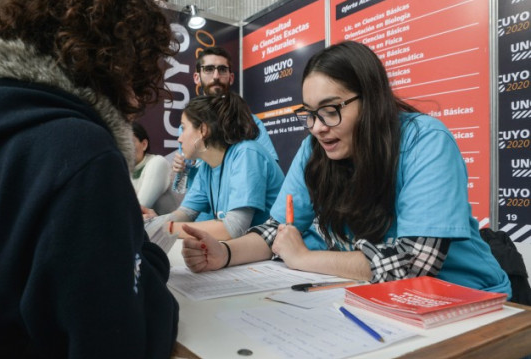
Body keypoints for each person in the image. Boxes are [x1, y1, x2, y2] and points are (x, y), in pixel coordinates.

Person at [0, 0, 179, 357]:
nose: (137, 103)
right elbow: (127, 340)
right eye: (138, 78)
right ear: (115, 62)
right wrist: (149, 257)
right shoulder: (78, 150)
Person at [181, 41, 512, 297]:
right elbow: (277, 231)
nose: (318, 127)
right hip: (374, 295)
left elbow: (414, 262)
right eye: (309, 113)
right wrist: (223, 253)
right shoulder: (315, 149)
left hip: (465, 300)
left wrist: (305, 258)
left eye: (330, 110)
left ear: (371, 100)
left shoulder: (425, 140)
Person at [148, 92, 284, 241]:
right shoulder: (207, 166)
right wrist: (152, 223)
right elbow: (186, 213)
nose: (179, 139)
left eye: (183, 127)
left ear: (203, 130)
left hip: (278, 253)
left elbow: (233, 228)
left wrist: (165, 228)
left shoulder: (246, 153)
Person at [170, 46, 279, 201]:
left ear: (231, 77)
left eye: (222, 69)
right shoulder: (185, 127)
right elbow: (183, 186)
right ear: (196, 77)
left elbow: (269, 168)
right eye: (208, 69)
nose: (216, 76)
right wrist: (184, 168)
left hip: (239, 209)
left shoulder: (249, 122)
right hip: (200, 212)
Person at [131, 121, 179, 215]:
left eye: (129, 142)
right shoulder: (123, 170)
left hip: (169, 228)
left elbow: (138, 209)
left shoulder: (157, 163)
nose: (124, 147)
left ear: (144, 144)